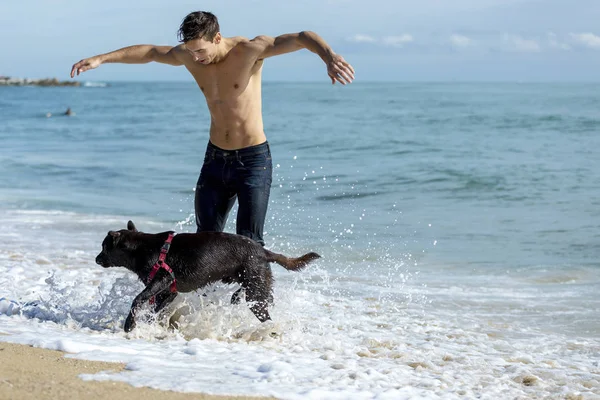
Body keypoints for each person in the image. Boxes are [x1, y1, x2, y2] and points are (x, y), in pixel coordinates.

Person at [70, 11, 355, 246]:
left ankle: (253, 310)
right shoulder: (189, 55)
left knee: (249, 243)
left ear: (217, 38)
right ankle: (204, 308)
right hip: (215, 159)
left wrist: (328, 57)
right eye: (191, 51)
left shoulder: (249, 50)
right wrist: (101, 59)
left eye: (201, 51)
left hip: (253, 160)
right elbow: (151, 52)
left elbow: (301, 37)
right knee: (203, 241)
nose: (195, 58)